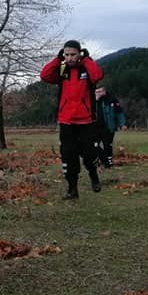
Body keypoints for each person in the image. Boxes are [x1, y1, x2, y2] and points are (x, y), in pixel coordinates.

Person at [40, 40, 103, 199]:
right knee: (69, 156)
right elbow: (45, 75)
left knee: (89, 154)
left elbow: (97, 76)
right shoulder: (62, 70)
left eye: (73, 54)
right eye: (66, 54)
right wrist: (57, 59)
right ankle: (72, 189)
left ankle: (94, 176)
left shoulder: (86, 69)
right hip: (66, 121)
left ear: (79, 54)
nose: (69, 58)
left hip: (86, 121)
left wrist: (87, 59)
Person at [94, 85, 127, 168]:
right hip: (95, 127)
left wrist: (122, 124)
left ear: (104, 91)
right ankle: (100, 160)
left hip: (108, 127)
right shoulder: (91, 101)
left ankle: (108, 162)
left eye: (100, 91)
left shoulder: (111, 100)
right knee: (94, 145)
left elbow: (119, 112)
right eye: (97, 92)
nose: (98, 94)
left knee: (107, 145)